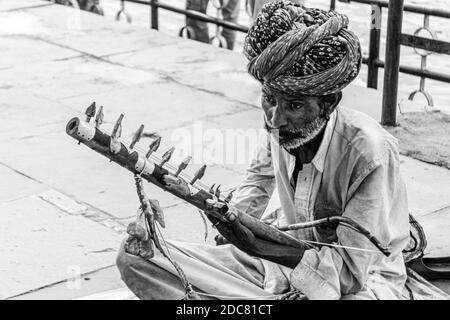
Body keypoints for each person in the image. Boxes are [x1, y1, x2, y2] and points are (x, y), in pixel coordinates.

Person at [117, 0, 412, 300]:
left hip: (364, 282)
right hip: (280, 264)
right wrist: (228, 222)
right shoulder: (279, 125)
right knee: (138, 260)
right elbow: (257, 184)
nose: (275, 118)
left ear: (329, 103)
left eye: (294, 105)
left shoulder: (369, 154)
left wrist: (261, 246)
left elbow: (350, 273)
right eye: (269, 98)